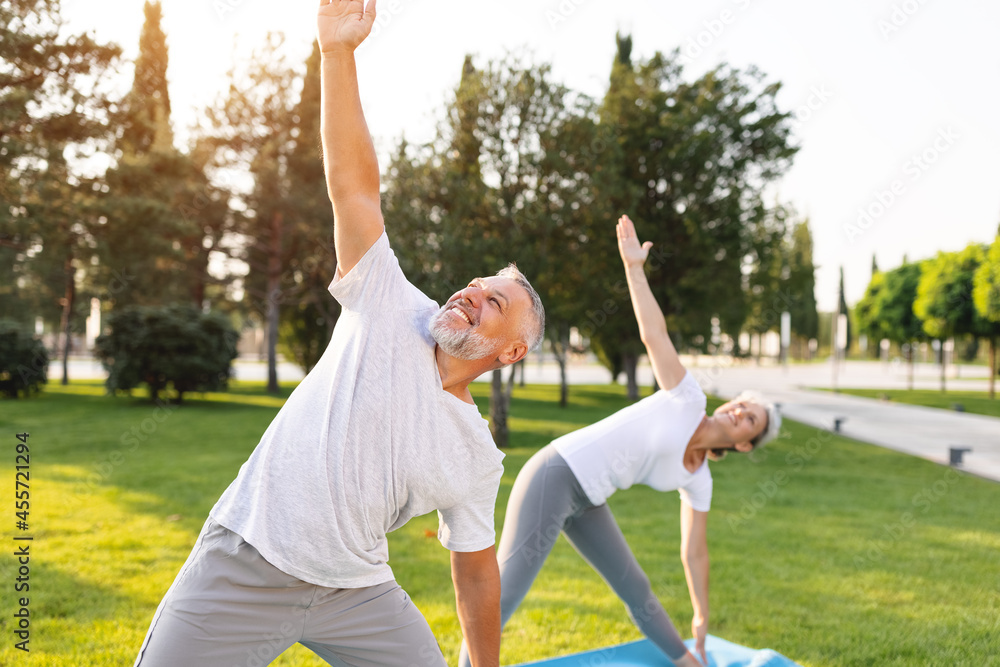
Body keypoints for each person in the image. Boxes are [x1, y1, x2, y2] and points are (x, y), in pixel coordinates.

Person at [133, 2, 544, 666]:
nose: (471, 292)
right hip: (249, 558)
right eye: (474, 284)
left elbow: (474, 570)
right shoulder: (387, 298)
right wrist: (337, 54)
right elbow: (354, 188)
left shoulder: (476, 456)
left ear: (512, 351)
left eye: (493, 300)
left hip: (356, 591)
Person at [460, 214, 780, 667]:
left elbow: (696, 552)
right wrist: (634, 268)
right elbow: (654, 334)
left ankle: (687, 662)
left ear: (746, 444)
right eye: (743, 404)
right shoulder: (688, 397)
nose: (739, 411)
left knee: (637, 590)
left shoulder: (700, 478)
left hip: (590, 498)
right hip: (557, 473)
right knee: (506, 591)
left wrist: (702, 614)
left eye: (751, 420)